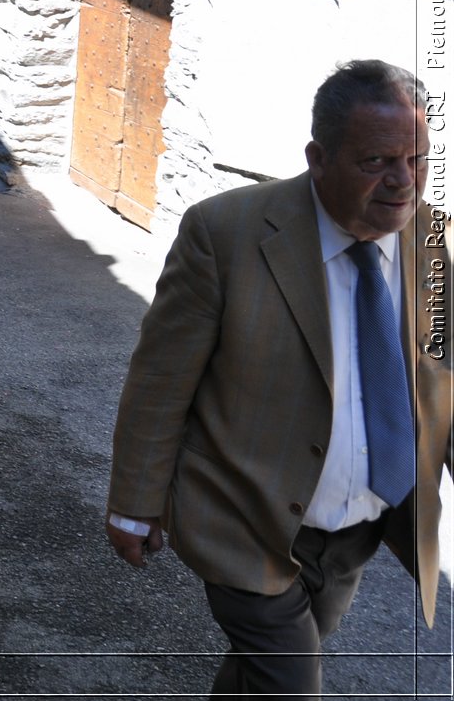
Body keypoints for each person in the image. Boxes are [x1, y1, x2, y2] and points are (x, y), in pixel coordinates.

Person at [106, 59, 452, 698]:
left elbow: (442, 375)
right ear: (319, 158)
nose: (404, 182)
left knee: (262, 679)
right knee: (292, 682)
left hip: (354, 531)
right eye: (376, 161)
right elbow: (161, 379)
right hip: (242, 520)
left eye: (419, 159)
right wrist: (134, 500)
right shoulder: (225, 233)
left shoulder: (431, 243)